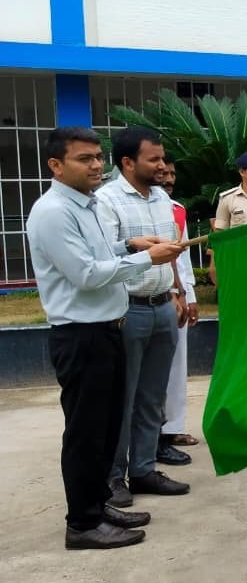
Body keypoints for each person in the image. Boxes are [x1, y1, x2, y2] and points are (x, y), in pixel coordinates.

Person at [26, 127, 185, 548]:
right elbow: (85, 275)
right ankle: (82, 524)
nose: (96, 165)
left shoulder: (88, 204)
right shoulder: (53, 211)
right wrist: (144, 257)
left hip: (107, 331)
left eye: (98, 156)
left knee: (107, 426)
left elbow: (98, 255)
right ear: (56, 165)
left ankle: (97, 503)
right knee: (86, 433)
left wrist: (127, 244)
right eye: (84, 158)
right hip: (81, 336)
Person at [96, 127, 192, 507]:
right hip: (127, 310)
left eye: (162, 158)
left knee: (153, 396)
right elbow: (103, 257)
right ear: (127, 162)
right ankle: (114, 476)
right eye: (153, 159)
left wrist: (177, 292)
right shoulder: (106, 201)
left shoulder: (160, 200)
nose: (162, 165)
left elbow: (172, 252)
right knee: (124, 397)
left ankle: (144, 469)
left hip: (162, 306)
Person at [156, 157, 198, 464]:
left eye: (172, 173)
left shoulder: (178, 210)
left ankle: (173, 427)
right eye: (162, 172)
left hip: (178, 296)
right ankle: (151, 434)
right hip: (152, 297)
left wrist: (189, 295)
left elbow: (182, 259)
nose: (169, 178)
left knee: (177, 365)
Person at [210, 150, 247, 285]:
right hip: (238, 259)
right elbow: (219, 234)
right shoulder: (227, 198)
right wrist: (215, 265)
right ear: (242, 172)